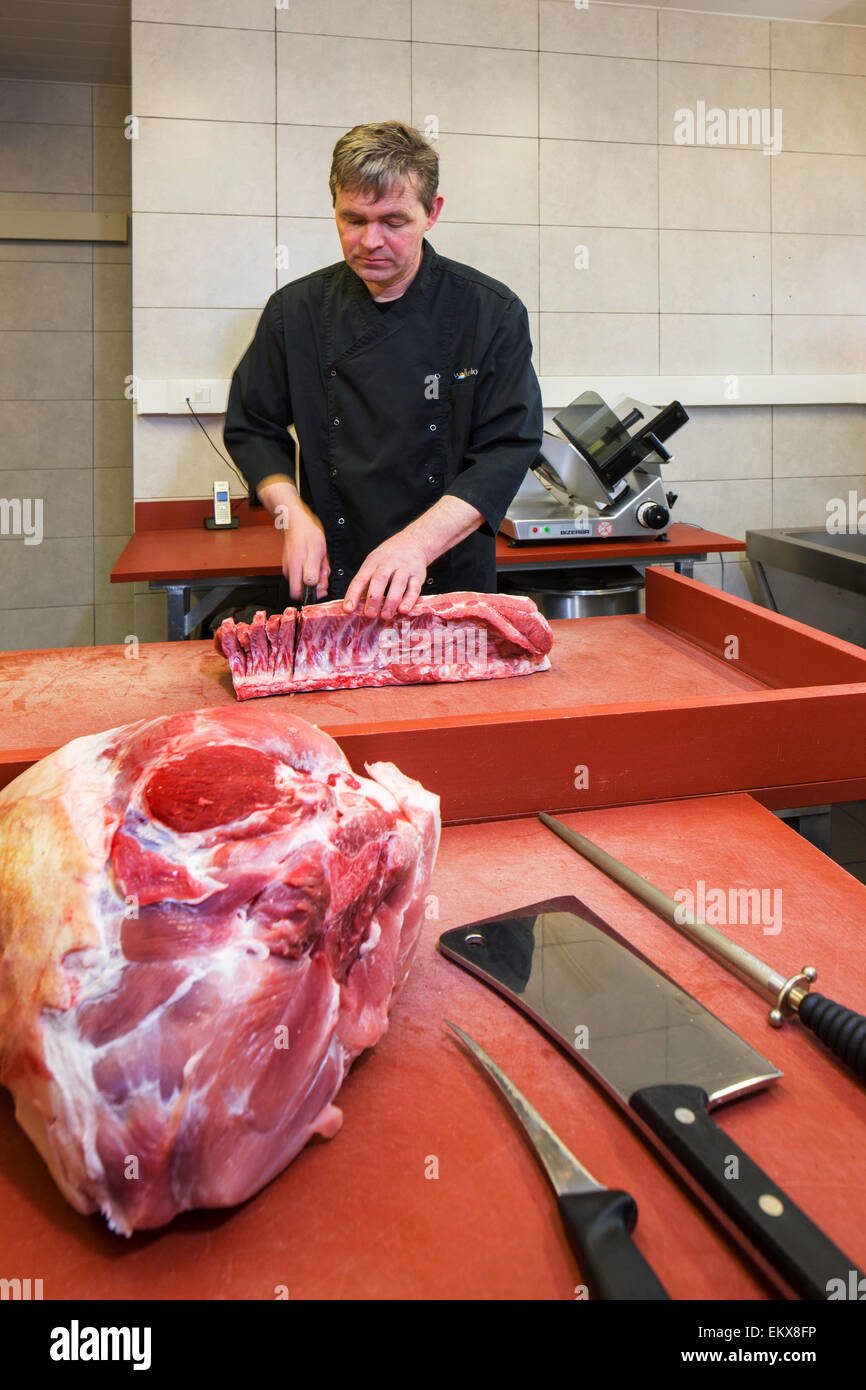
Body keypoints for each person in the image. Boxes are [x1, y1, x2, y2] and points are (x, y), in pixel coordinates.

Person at [224, 120, 543, 621]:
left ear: (431, 213)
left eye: (393, 221)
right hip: (336, 575)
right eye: (353, 219)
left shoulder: (489, 312)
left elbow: (508, 448)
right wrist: (292, 516)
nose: (370, 240)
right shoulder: (295, 312)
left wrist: (417, 544)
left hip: (447, 576)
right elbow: (253, 427)